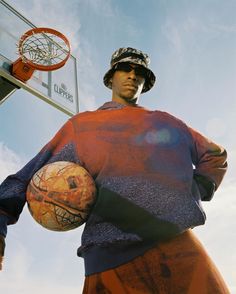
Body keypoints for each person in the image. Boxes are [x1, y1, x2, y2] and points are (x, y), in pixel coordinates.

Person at [0, 47, 229, 293]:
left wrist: (196, 189)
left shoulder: (166, 122)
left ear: (146, 81)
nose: (132, 76)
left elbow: (215, 156)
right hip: (109, 253)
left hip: (178, 244)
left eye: (139, 72)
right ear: (111, 77)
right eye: (125, 69)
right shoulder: (81, 127)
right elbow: (27, 177)